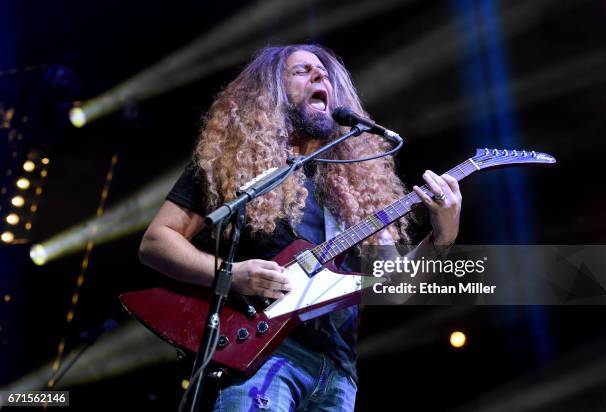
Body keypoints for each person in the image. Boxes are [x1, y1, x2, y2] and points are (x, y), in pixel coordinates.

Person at [138, 44, 462, 411]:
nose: (319, 76)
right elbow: (156, 242)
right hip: (258, 356)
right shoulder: (231, 164)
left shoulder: (356, 189)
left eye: (324, 74)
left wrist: (443, 234)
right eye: (303, 71)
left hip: (337, 373)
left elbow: (399, 287)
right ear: (271, 92)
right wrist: (232, 274)